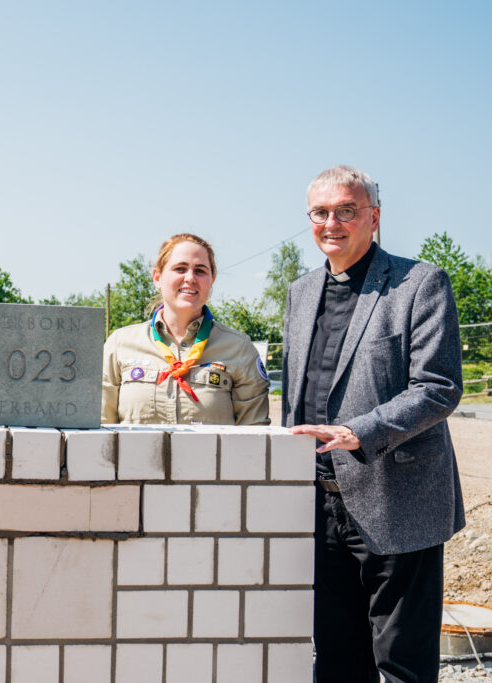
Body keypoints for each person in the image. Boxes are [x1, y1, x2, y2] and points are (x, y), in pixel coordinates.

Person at [283, 166, 464, 683]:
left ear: (374, 218)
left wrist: (360, 431)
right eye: (321, 213)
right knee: (337, 660)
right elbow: (295, 395)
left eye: (347, 210)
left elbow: (438, 387)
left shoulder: (419, 282)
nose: (332, 223)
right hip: (321, 502)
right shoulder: (300, 292)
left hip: (397, 497)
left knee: (401, 664)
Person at [102, 233, 270, 425]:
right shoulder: (120, 344)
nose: (190, 278)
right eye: (180, 268)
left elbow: (254, 436)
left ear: (212, 279)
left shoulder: (239, 349)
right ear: (157, 277)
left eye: (200, 271)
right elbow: (100, 428)